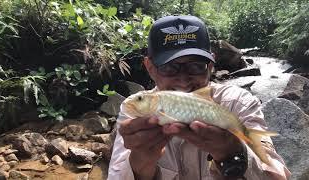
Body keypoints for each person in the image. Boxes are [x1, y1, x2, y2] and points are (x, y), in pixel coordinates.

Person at [108, 15, 291, 180]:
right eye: (169, 67)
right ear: (150, 67)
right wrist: (140, 165)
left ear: (210, 65)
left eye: (196, 66)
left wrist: (233, 154)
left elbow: (278, 176)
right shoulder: (134, 109)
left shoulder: (237, 103)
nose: (183, 79)